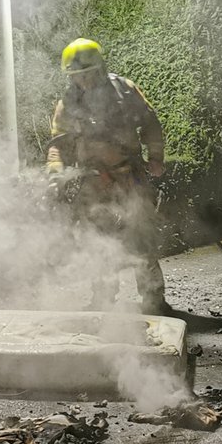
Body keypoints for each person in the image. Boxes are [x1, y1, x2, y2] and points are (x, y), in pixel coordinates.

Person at [45, 38, 172, 315]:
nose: (84, 81)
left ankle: (153, 301)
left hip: (130, 178)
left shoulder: (125, 92)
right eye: (77, 76)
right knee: (97, 241)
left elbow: (151, 123)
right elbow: (59, 143)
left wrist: (156, 158)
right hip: (93, 181)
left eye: (88, 74)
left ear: (100, 69)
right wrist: (55, 173)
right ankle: (102, 300)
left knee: (142, 237)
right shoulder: (68, 103)